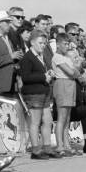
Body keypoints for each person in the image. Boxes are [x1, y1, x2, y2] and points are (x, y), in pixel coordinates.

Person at [19, 30, 60, 160]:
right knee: (35, 122)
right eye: (40, 43)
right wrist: (43, 76)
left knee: (47, 121)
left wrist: (49, 74)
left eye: (44, 43)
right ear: (32, 42)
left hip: (44, 91)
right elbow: (25, 77)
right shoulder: (27, 57)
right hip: (33, 93)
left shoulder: (40, 56)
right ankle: (36, 150)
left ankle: (47, 147)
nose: (43, 45)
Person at [52, 33, 81, 156]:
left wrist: (76, 69)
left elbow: (77, 71)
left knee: (67, 118)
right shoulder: (57, 57)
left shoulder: (66, 57)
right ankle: (59, 145)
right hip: (63, 84)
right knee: (61, 117)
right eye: (64, 44)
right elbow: (71, 72)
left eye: (68, 44)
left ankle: (66, 144)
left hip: (70, 85)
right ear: (58, 44)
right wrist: (75, 70)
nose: (67, 46)